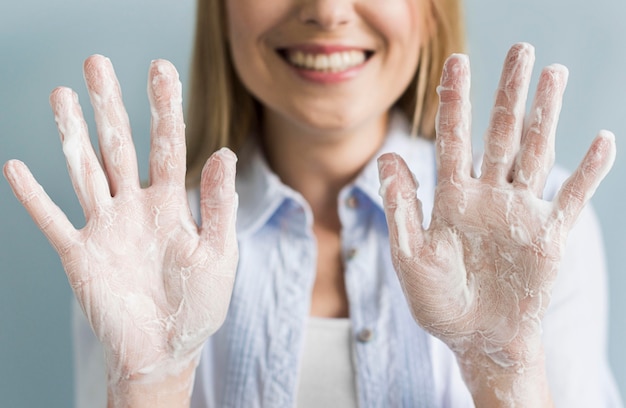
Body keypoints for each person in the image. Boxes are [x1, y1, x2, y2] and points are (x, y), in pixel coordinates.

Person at [3, 0, 622, 406]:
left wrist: (505, 372)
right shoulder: (137, 248)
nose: (327, 13)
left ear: (433, 13)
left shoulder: (535, 231)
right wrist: (148, 385)